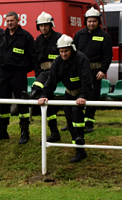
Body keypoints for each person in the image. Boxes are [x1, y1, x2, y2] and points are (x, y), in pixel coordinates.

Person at [37, 35, 93, 163]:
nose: (63, 54)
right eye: (61, 51)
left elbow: (86, 80)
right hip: (69, 93)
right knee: (68, 118)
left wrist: (83, 96)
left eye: (66, 51)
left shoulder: (81, 59)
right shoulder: (58, 61)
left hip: (81, 93)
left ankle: (80, 138)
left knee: (76, 113)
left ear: (72, 48)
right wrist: (44, 95)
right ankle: (79, 150)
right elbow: (51, 80)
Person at [0, 11, 35, 145]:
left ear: (17, 21)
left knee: (22, 102)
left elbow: (33, 57)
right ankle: (2, 131)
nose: (9, 23)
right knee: (3, 102)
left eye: (12, 21)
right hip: (4, 73)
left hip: (18, 73)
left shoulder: (25, 36)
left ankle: (25, 132)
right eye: (7, 21)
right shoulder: (1, 35)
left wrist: (24, 68)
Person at [73, 7, 113, 133]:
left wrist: (103, 70)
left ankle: (89, 122)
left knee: (93, 96)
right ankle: (75, 120)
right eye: (89, 21)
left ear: (98, 21)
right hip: (80, 71)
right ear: (86, 21)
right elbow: (73, 52)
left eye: (94, 21)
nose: (91, 23)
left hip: (96, 72)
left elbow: (108, 56)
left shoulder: (104, 36)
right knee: (77, 95)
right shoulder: (79, 35)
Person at [30, 12, 64, 142]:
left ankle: (34, 92)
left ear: (51, 25)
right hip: (43, 74)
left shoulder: (60, 38)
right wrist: (38, 72)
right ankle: (54, 132)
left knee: (45, 95)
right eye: (41, 26)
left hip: (57, 73)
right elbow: (35, 60)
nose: (43, 28)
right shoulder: (38, 40)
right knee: (47, 102)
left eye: (45, 25)